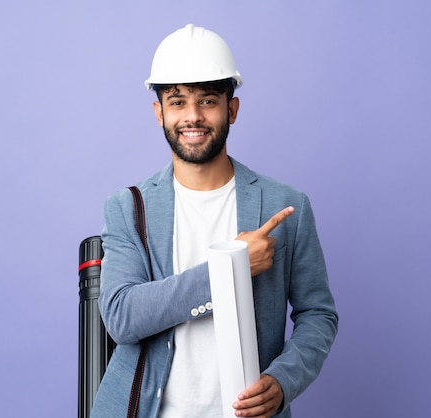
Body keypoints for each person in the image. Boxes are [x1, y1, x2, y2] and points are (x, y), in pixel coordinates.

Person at [90, 24, 338, 418]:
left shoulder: (287, 205)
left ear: (231, 109)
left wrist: (284, 380)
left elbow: (318, 314)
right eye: (177, 102)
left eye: (207, 101)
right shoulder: (126, 207)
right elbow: (122, 317)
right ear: (159, 113)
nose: (193, 117)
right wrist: (231, 266)